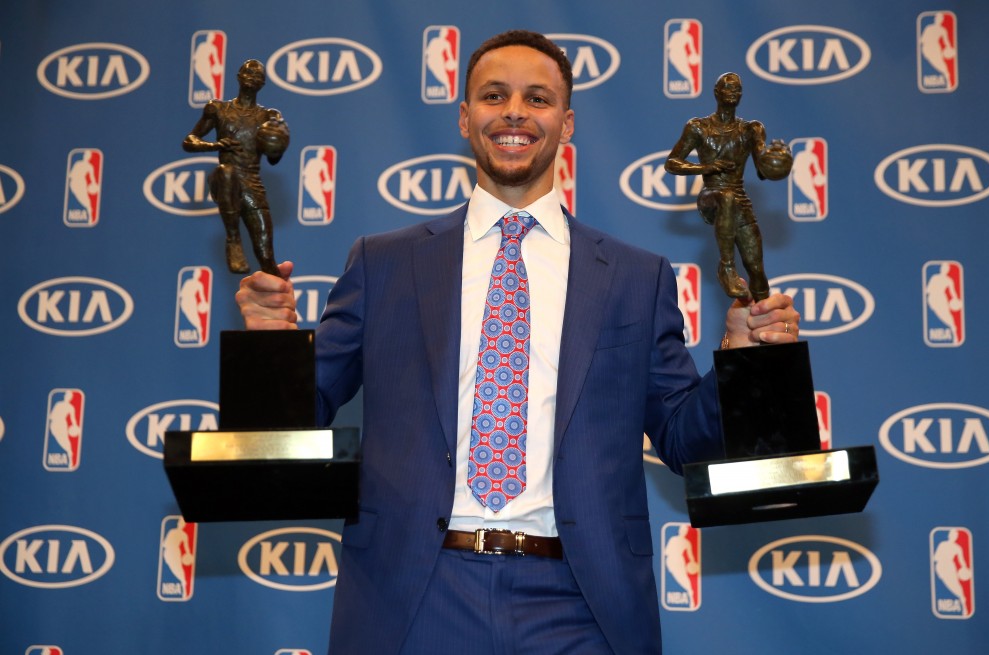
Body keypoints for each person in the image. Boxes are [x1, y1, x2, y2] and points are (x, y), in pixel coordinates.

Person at [236, 31, 800, 655]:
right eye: (493, 95)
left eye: (538, 98)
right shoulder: (383, 264)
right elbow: (299, 419)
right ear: (464, 117)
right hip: (416, 595)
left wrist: (739, 362)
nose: (514, 112)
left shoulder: (637, 277)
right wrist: (271, 348)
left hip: (581, 602)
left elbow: (682, 438)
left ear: (566, 122)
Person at [665, 72, 791, 302]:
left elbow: (762, 171)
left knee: (755, 268)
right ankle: (726, 266)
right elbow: (672, 163)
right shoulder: (698, 127)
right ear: (717, 92)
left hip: (738, 197)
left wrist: (779, 158)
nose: (733, 92)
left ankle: (763, 319)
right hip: (710, 195)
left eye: (737, 89)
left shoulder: (751, 130)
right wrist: (707, 167)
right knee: (726, 197)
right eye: (728, 88)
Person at [183, 59, 288, 276]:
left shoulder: (268, 117)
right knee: (226, 172)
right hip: (225, 182)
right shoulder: (218, 109)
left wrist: (277, 146)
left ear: (263, 84)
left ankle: (280, 299)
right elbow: (189, 140)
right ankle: (233, 239)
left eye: (258, 75)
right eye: (248, 72)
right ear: (238, 76)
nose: (252, 77)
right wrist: (214, 145)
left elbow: (273, 160)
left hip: (252, 184)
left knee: (266, 257)